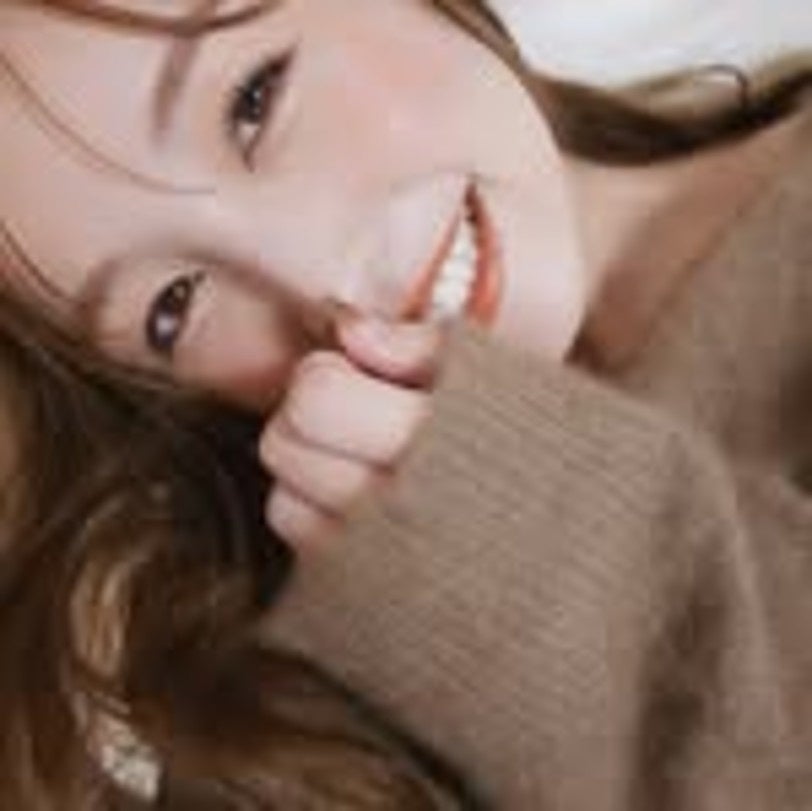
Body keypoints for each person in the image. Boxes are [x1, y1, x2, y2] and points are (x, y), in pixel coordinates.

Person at [1, 0, 811, 807]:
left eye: (255, 100)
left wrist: (591, 592)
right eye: (172, 307)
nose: (320, 283)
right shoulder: (272, 717)